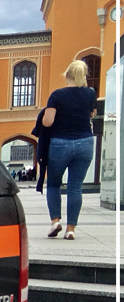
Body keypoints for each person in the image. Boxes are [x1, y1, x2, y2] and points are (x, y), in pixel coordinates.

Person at [42, 60, 97, 240]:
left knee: (54, 184)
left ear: (67, 75)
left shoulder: (57, 95)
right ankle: (71, 229)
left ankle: (55, 221)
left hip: (60, 144)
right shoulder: (90, 94)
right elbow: (92, 113)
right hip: (85, 143)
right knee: (75, 187)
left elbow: (48, 121)